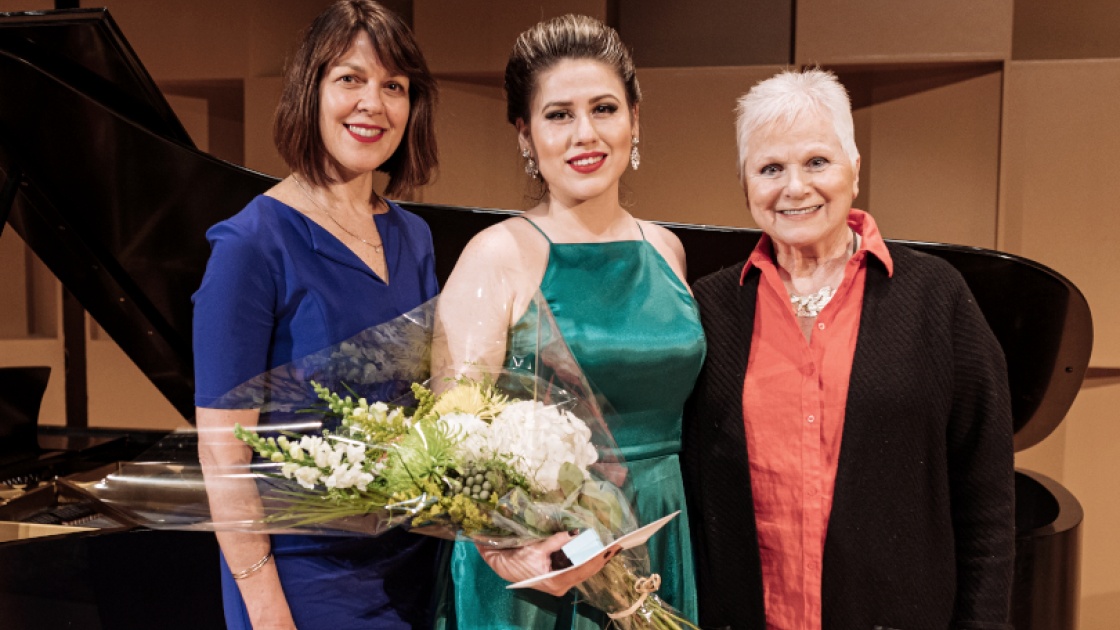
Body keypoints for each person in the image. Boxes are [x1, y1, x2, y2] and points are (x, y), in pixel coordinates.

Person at [683, 68, 1015, 629]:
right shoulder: (709, 309)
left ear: (854, 170)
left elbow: (987, 504)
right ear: (745, 186)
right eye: (770, 169)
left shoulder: (937, 298)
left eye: (817, 161)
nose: (795, 187)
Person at [431, 14, 704, 630]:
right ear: (525, 135)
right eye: (559, 115)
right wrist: (509, 548)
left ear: (635, 118)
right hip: (544, 561)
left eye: (604, 108)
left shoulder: (666, 250)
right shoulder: (495, 255)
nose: (586, 133)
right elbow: (451, 445)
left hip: (661, 527)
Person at [192, 2, 441, 628]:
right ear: (310, 90)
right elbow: (223, 457)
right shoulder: (252, 244)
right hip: (303, 579)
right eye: (350, 79)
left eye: (394, 86)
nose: (373, 104)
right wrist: (267, 609)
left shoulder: (414, 237)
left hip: (415, 566)